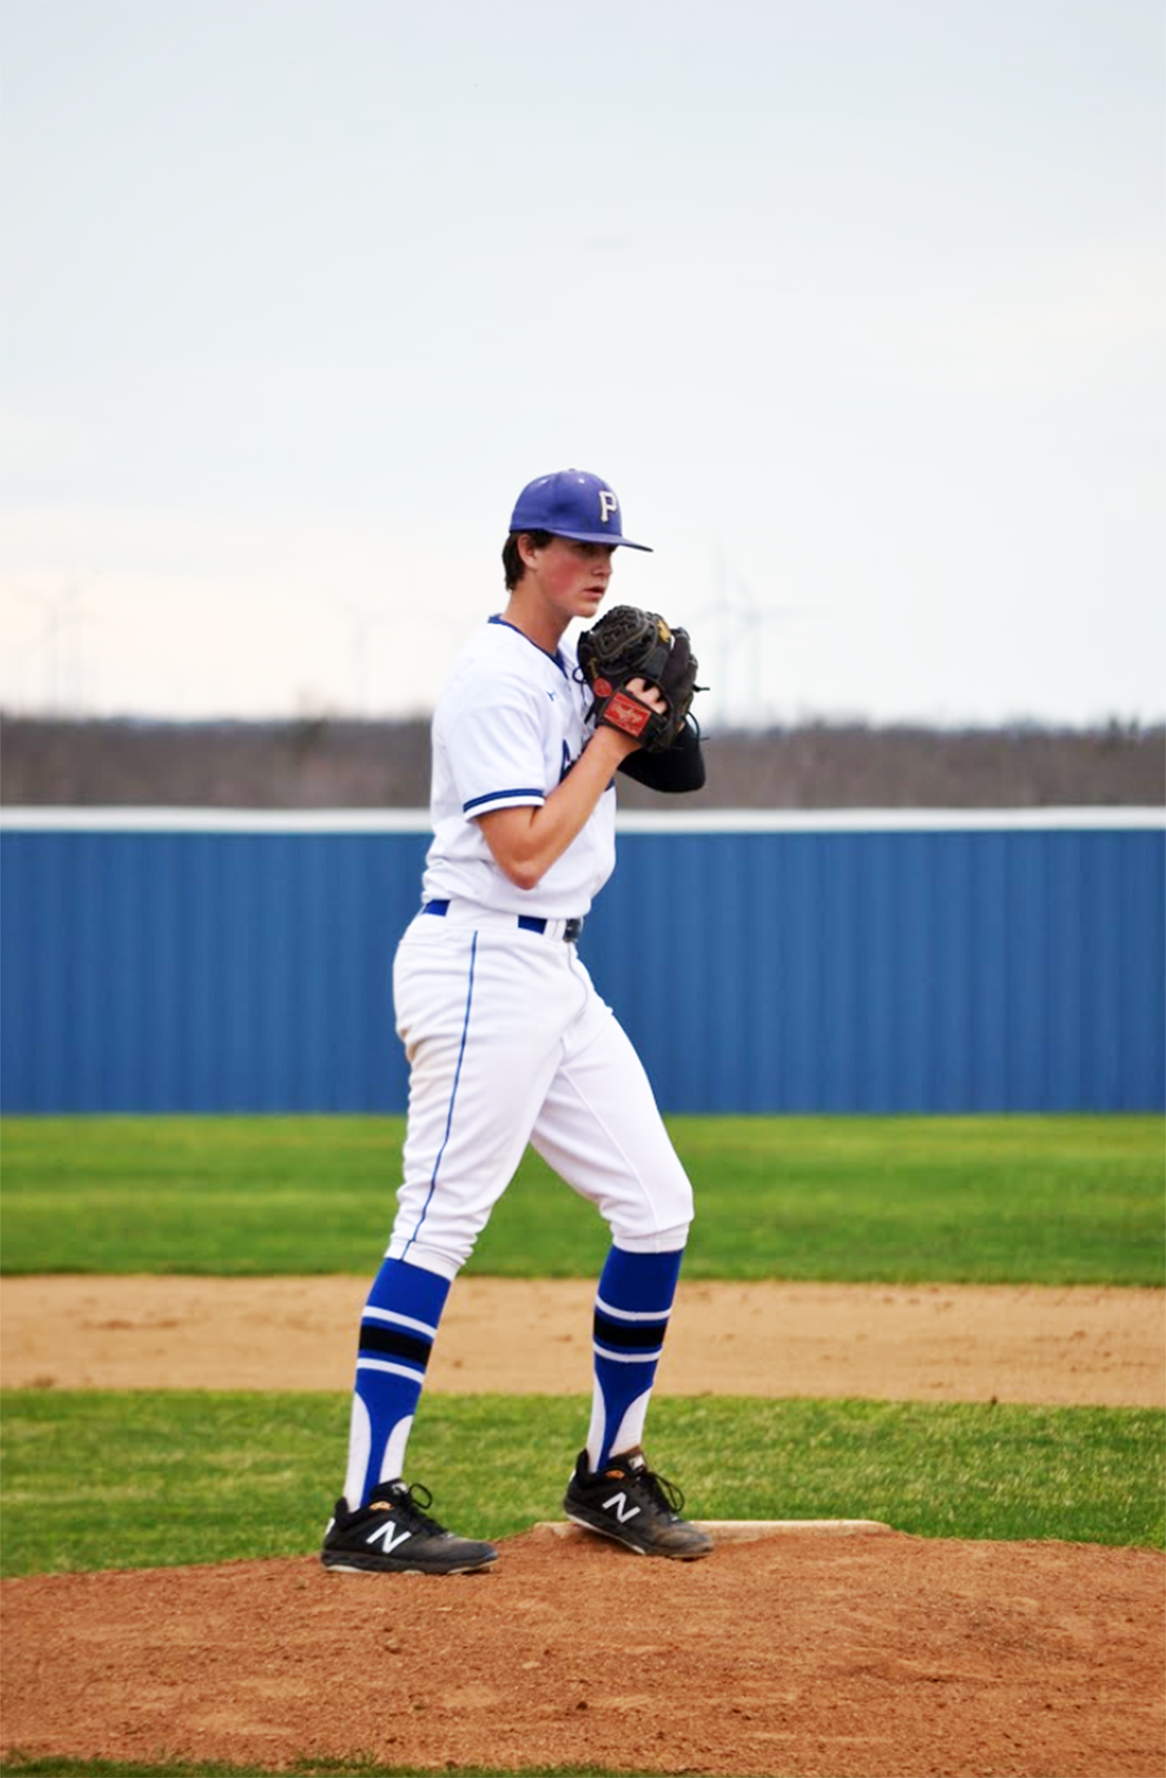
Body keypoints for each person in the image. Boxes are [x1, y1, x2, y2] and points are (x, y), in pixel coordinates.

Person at [320, 468, 710, 1574]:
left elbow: (677, 767)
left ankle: (608, 1473)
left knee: (655, 1204)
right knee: (436, 1225)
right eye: (580, 546)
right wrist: (610, 737)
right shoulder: (494, 675)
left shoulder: (564, 668)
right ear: (526, 547)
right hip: (483, 953)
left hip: (555, 973)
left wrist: (631, 720)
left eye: (610, 551)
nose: (599, 565)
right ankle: (364, 1508)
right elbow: (525, 848)